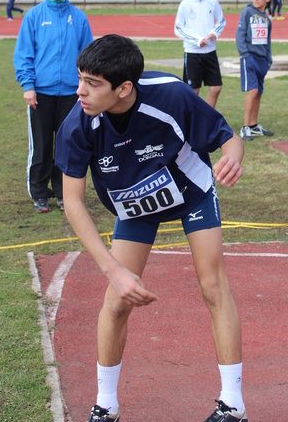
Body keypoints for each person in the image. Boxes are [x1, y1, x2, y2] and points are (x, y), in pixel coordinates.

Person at [56, 35, 247, 422]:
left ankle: (233, 405)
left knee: (213, 286)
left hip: (191, 190)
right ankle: (105, 406)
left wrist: (232, 157)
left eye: (92, 84)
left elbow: (229, 138)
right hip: (135, 203)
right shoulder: (78, 123)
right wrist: (114, 270)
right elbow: (73, 203)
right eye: (80, 79)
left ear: (124, 88)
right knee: (117, 300)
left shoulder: (171, 96)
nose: (80, 91)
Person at [13, 0, 93, 212]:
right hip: (41, 93)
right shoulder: (34, 16)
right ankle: (38, 192)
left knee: (66, 145)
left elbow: (88, 57)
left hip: (71, 93)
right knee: (42, 144)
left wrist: (85, 86)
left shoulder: (78, 18)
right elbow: (24, 54)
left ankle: (62, 191)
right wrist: (28, 86)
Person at [174, 0, 226, 108]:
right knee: (193, 91)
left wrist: (214, 33)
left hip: (210, 52)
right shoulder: (185, 4)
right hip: (192, 53)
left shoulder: (213, 3)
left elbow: (221, 21)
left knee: (216, 88)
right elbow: (178, 28)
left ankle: (206, 118)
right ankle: (191, 121)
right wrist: (197, 40)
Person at [236, 0, 274, 141]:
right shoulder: (247, 12)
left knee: (258, 92)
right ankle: (245, 127)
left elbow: (268, 42)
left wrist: (268, 59)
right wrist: (245, 55)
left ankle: (253, 125)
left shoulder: (267, 19)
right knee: (252, 91)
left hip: (262, 61)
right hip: (249, 58)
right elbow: (240, 35)